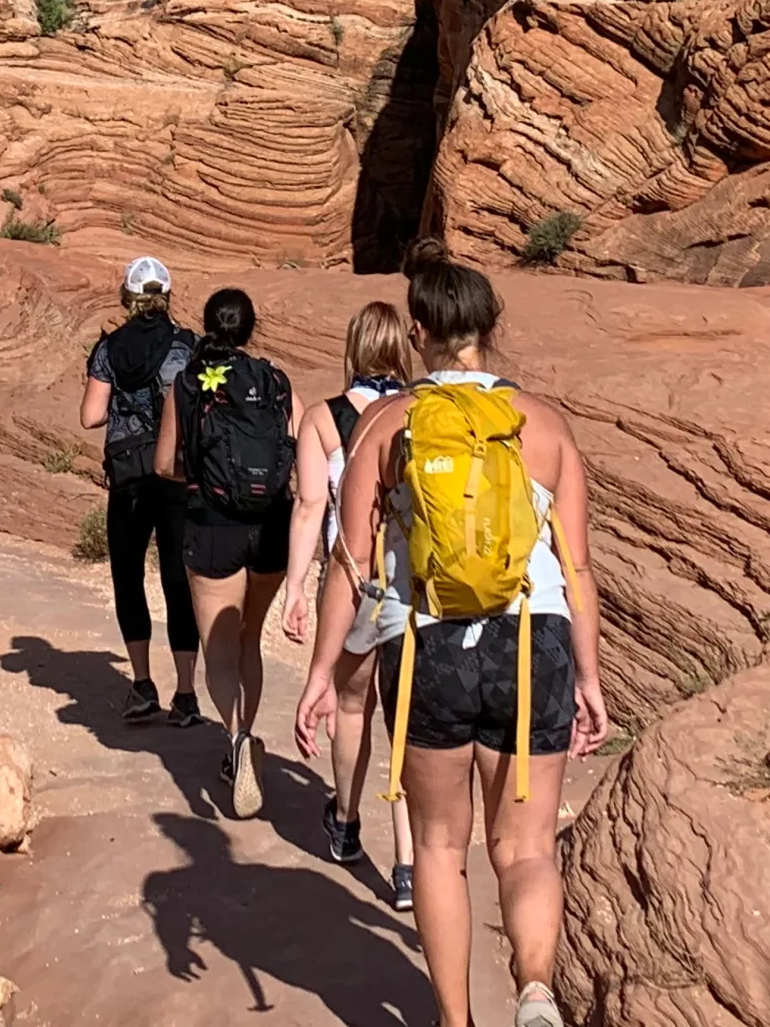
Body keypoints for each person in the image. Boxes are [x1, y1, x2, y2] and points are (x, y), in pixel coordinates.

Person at [295, 241, 609, 1027]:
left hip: (426, 649)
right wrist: (590, 679)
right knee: (527, 848)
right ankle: (535, 990)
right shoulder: (544, 425)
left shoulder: (387, 426)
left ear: (419, 330)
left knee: (439, 845)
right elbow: (577, 572)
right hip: (532, 645)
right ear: (490, 325)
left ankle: (456, 1021)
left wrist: (323, 674)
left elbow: (351, 565)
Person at [283, 300, 419, 910]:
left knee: (351, 702)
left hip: (352, 579)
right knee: (410, 722)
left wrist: (294, 589)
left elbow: (312, 508)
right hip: (418, 584)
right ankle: (411, 865)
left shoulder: (323, 417)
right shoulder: (424, 411)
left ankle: (345, 821)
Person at [155, 285, 298, 818]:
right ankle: (245, 739)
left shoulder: (187, 383)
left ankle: (236, 741)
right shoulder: (276, 381)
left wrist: (203, 476)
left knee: (217, 647)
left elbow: (164, 464)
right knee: (248, 640)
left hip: (211, 525)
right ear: (250, 328)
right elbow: (298, 451)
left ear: (207, 325)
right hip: (271, 526)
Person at [80, 256, 206, 727]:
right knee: (177, 580)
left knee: (129, 579)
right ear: (167, 296)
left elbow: (91, 416)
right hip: (176, 474)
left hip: (131, 476)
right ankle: (187, 694)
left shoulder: (110, 349)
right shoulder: (188, 346)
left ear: (128, 299)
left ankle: (142, 685)